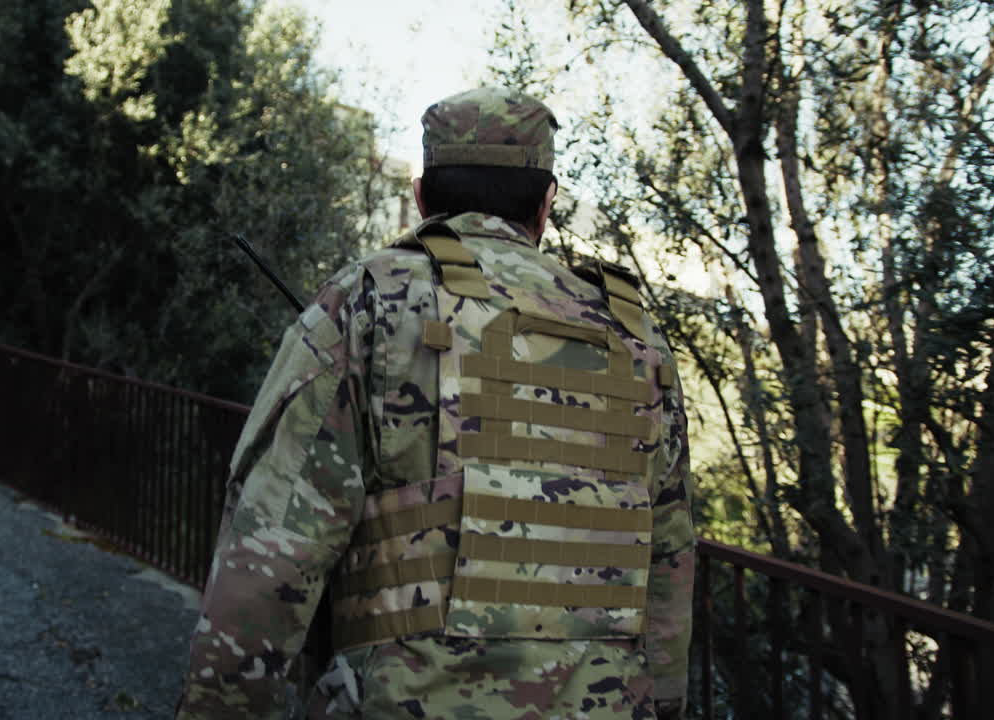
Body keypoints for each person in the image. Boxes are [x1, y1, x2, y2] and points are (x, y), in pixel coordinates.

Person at [177, 87, 694, 719]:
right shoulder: (635, 334)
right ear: (547, 203)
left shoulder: (372, 301)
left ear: (422, 196)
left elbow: (271, 556)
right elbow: (668, 568)